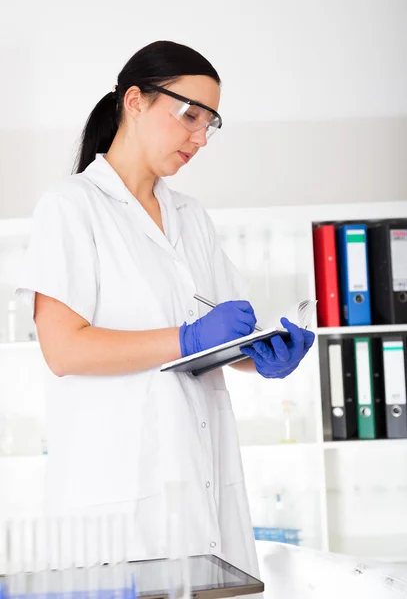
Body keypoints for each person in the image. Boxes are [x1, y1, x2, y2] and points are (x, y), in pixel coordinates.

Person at [16, 40, 314, 576]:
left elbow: (222, 337)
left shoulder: (191, 217)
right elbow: (62, 348)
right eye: (190, 116)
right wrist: (187, 338)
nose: (200, 138)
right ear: (135, 101)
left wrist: (264, 351)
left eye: (211, 125)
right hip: (117, 506)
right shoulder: (72, 205)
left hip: (203, 491)